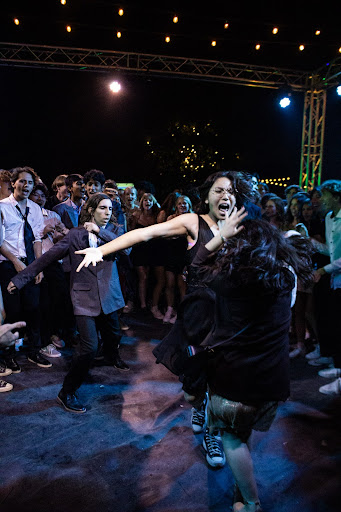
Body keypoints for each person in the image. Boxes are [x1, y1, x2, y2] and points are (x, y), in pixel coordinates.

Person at [75, 170, 253, 467]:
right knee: (194, 390)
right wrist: (101, 250)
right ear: (207, 196)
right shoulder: (192, 222)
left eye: (231, 191)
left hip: (229, 318)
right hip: (197, 319)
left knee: (222, 382)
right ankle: (199, 404)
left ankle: (213, 432)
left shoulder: (243, 228)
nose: (225, 196)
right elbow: (144, 233)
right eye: (219, 191)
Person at [190, 219, 313, 512]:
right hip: (272, 381)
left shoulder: (232, 278)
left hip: (235, 380)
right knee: (243, 434)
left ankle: (251, 502)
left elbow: (196, 267)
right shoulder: (286, 278)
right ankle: (241, 488)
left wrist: (219, 236)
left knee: (231, 439)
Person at [8, 193, 130, 413]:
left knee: (114, 337)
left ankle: (109, 355)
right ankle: (67, 391)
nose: (107, 213)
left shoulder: (114, 233)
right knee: (89, 348)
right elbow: (47, 257)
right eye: (102, 208)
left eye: (110, 209)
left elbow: (126, 249)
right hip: (84, 298)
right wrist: (21, 279)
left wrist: (99, 231)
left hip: (110, 298)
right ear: (91, 210)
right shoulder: (74, 235)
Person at [0, 166, 49, 372]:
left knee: (34, 307)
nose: (26, 185)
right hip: (8, 264)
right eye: (22, 181)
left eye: (30, 182)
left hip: (30, 263)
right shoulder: (2, 207)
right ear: (13, 183)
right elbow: (0, 241)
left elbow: (37, 238)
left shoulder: (35, 208)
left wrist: (38, 266)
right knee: (13, 310)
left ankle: (33, 350)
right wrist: (15, 261)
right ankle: (8, 354)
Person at [312, 180, 341, 395]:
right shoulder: (330, 218)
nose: (322, 199)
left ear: (337, 196)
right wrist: (308, 241)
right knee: (336, 322)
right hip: (336, 279)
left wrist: (324, 270)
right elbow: (330, 252)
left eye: (325, 195)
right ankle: (337, 367)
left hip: (336, 275)